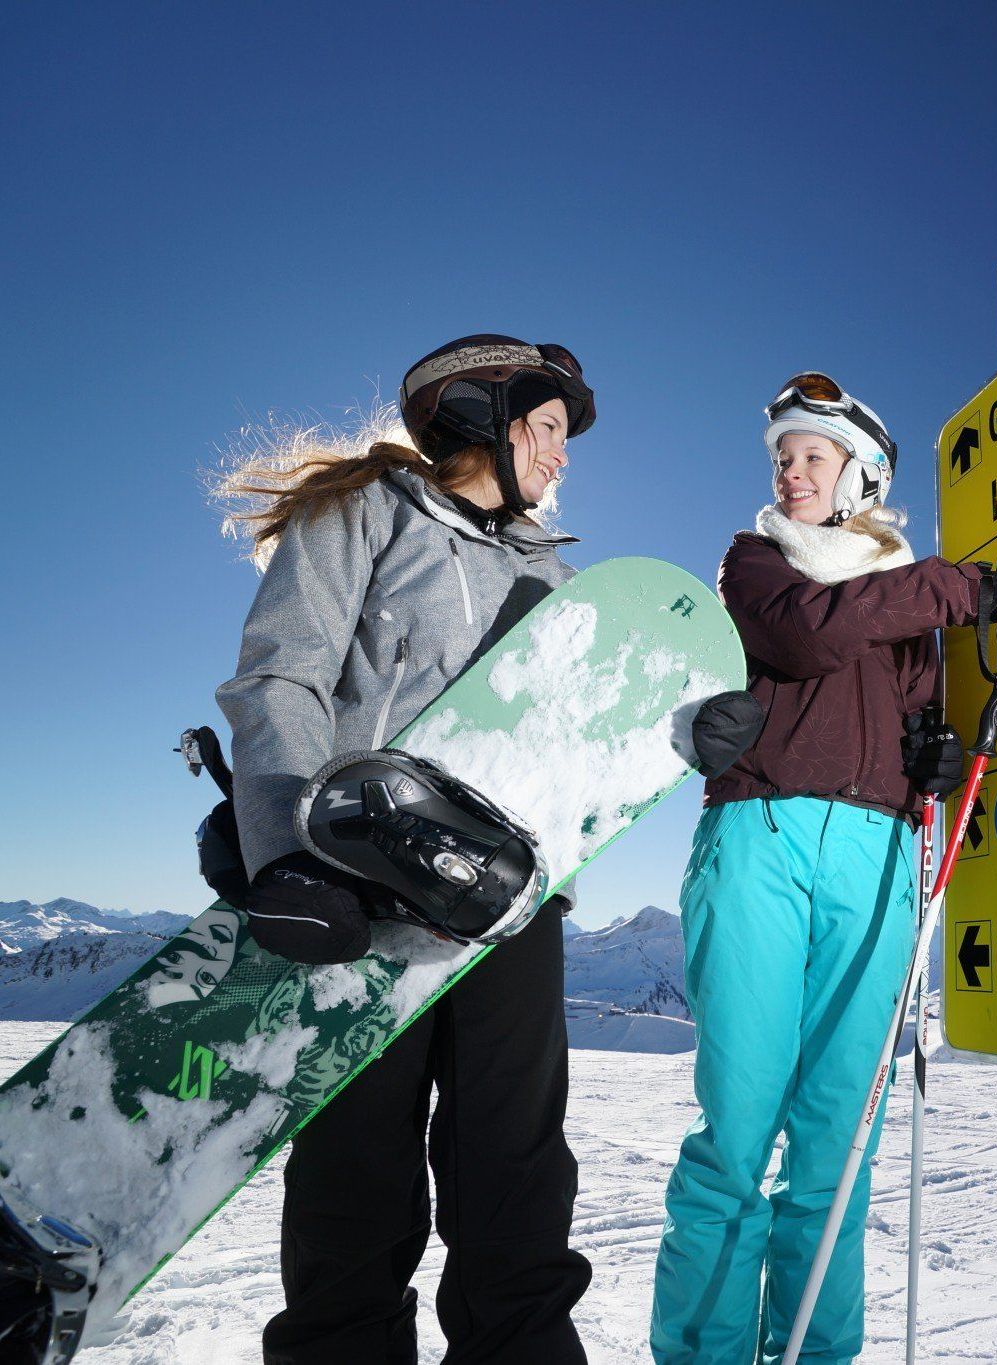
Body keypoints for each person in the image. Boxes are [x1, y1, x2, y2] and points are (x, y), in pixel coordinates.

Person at [650, 372, 997, 1363]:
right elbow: (809, 633)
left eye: (811, 456)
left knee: (838, 1147)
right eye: (782, 457)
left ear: (860, 476)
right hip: (761, 839)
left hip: (879, 857)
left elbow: (913, 705)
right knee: (737, 1136)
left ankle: (814, 1353)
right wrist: (958, 587)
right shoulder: (757, 565)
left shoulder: (902, 603)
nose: (790, 472)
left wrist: (926, 754)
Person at [214, 334, 598, 1364]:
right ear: (483, 413)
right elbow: (279, 680)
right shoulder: (365, 515)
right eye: (549, 428)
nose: (562, 457)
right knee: (356, 1186)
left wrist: (698, 729)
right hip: (366, 900)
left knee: (514, 1186)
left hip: (505, 910)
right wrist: (288, 854)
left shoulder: (557, 577)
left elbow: (582, 738)